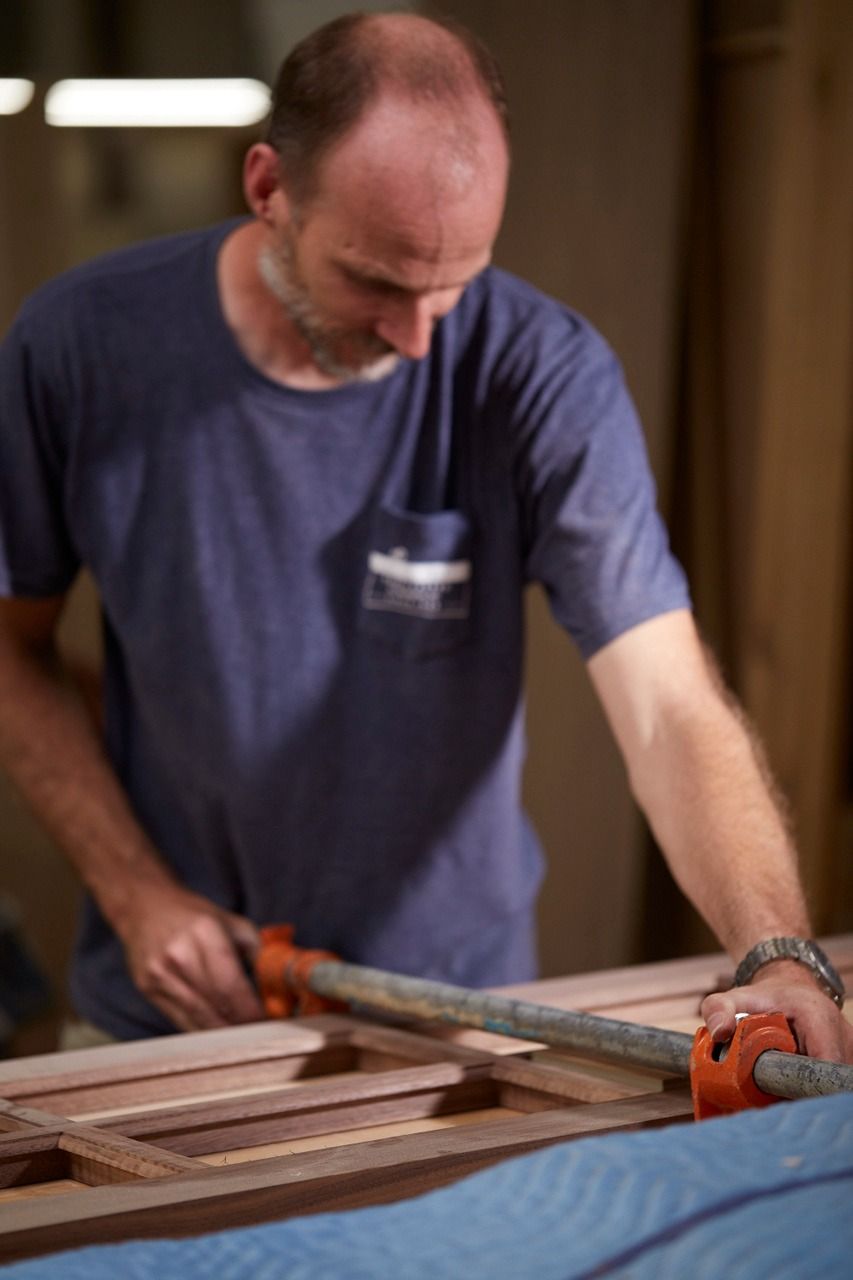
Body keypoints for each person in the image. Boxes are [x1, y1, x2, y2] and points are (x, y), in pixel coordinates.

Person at [0, 11, 849, 1060]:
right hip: (172, 1003)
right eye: (378, 281)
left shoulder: (541, 372)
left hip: (457, 1013)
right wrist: (135, 894)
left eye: (456, 281)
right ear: (268, 188)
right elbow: (10, 642)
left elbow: (667, 700)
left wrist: (776, 948)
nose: (417, 337)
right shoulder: (78, 348)